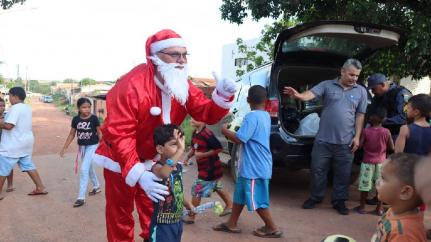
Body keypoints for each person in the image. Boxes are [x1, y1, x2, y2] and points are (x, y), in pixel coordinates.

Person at [93, 29, 236, 241]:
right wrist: (139, 174)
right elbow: (121, 134)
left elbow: (205, 112)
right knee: (120, 214)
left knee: (155, 214)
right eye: (175, 54)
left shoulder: (182, 84)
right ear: (155, 55)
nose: (181, 60)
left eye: (185, 55)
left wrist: (223, 96)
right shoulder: (131, 85)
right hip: (121, 159)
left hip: (157, 160)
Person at [283, 59, 368, 215]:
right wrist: (299, 95)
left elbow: (360, 115)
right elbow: (310, 94)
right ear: (342, 71)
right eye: (351, 75)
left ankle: (339, 201)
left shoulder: (361, 91)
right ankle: (315, 197)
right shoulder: (327, 85)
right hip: (323, 140)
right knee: (317, 171)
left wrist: (357, 137)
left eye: (357, 76)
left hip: (346, 142)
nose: (354, 79)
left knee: (343, 173)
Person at [214, 85, 282, 238]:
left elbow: (240, 139)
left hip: (254, 168)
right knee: (240, 195)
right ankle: (231, 223)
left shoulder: (251, 116)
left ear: (248, 100)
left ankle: (272, 227)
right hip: (255, 166)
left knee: (256, 199)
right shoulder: (265, 115)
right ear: (265, 101)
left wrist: (225, 130)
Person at [0, 87, 48, 200]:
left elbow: (9, 126)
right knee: (28, 165)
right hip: (25, 143)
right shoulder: (27, 108)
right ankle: (40, 187)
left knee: (2, 169)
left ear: (15, 97)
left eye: (10, 96)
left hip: (13, 145)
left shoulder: (15, 108)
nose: (9, 98)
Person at [148, 124, 193, 242]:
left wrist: (188, 205)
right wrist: (181, 150)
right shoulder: (157, 167)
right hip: (162, 224)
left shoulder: (177, 167)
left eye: (180, 143)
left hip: (177, 221)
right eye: (174, 144)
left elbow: (177, 191)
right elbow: (164, 173)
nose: (179, 147)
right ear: (160, 149)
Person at [183, 118, 233, 224]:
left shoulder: (207, 134)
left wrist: (203, 155)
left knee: (197, 190)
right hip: (206, 169)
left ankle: (191, 216)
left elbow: (218, 148)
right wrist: (187, 157)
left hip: (210, 169)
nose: (192, 119)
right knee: (216, 185)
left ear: (204, 121)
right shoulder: (195, 133)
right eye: (192, 117)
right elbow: (194, 147)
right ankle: (230, 205)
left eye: (196, 118)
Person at [371, 153, 426, 242]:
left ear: (405, 192)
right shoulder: (395, 210)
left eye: (383, 178)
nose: (378, 180)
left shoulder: (404, 234)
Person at [60, 97, 102, 207]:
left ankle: (81, 197)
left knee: (84, 169)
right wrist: (64, 147)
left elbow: (99, 133)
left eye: (89, 107)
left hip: (93, 146)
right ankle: (96, 186)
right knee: (89, 168)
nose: (87, 109)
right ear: (78, 108)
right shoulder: (76, 119)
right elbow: (72, 134)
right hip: (82, 147)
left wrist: (104, 146)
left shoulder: (94, 118)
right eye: (84, 107)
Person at [354, 107, 394, 215]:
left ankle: (362, 207)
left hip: (367, 162)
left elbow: (360, 145)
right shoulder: (386, 132)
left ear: (372, 118)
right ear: (384, 119)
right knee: (380, 186)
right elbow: (391, 147)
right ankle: (379, 208)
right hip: (381, 162)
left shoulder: (366, 131)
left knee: (364, 186)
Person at [367, 73, 412, 138]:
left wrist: (382, 121)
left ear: (382, 84)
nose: (372, 92)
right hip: (380, 135)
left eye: (374, 89)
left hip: (397, 135)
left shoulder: (402, 94)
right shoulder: (377, 96)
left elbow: (405, 117)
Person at [0, 98, 14, 193]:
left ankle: (10, 185)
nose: (2, 108)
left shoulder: (7, 116)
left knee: (8, 165)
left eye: (3, 105)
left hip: (6, 144)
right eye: (0, 106)